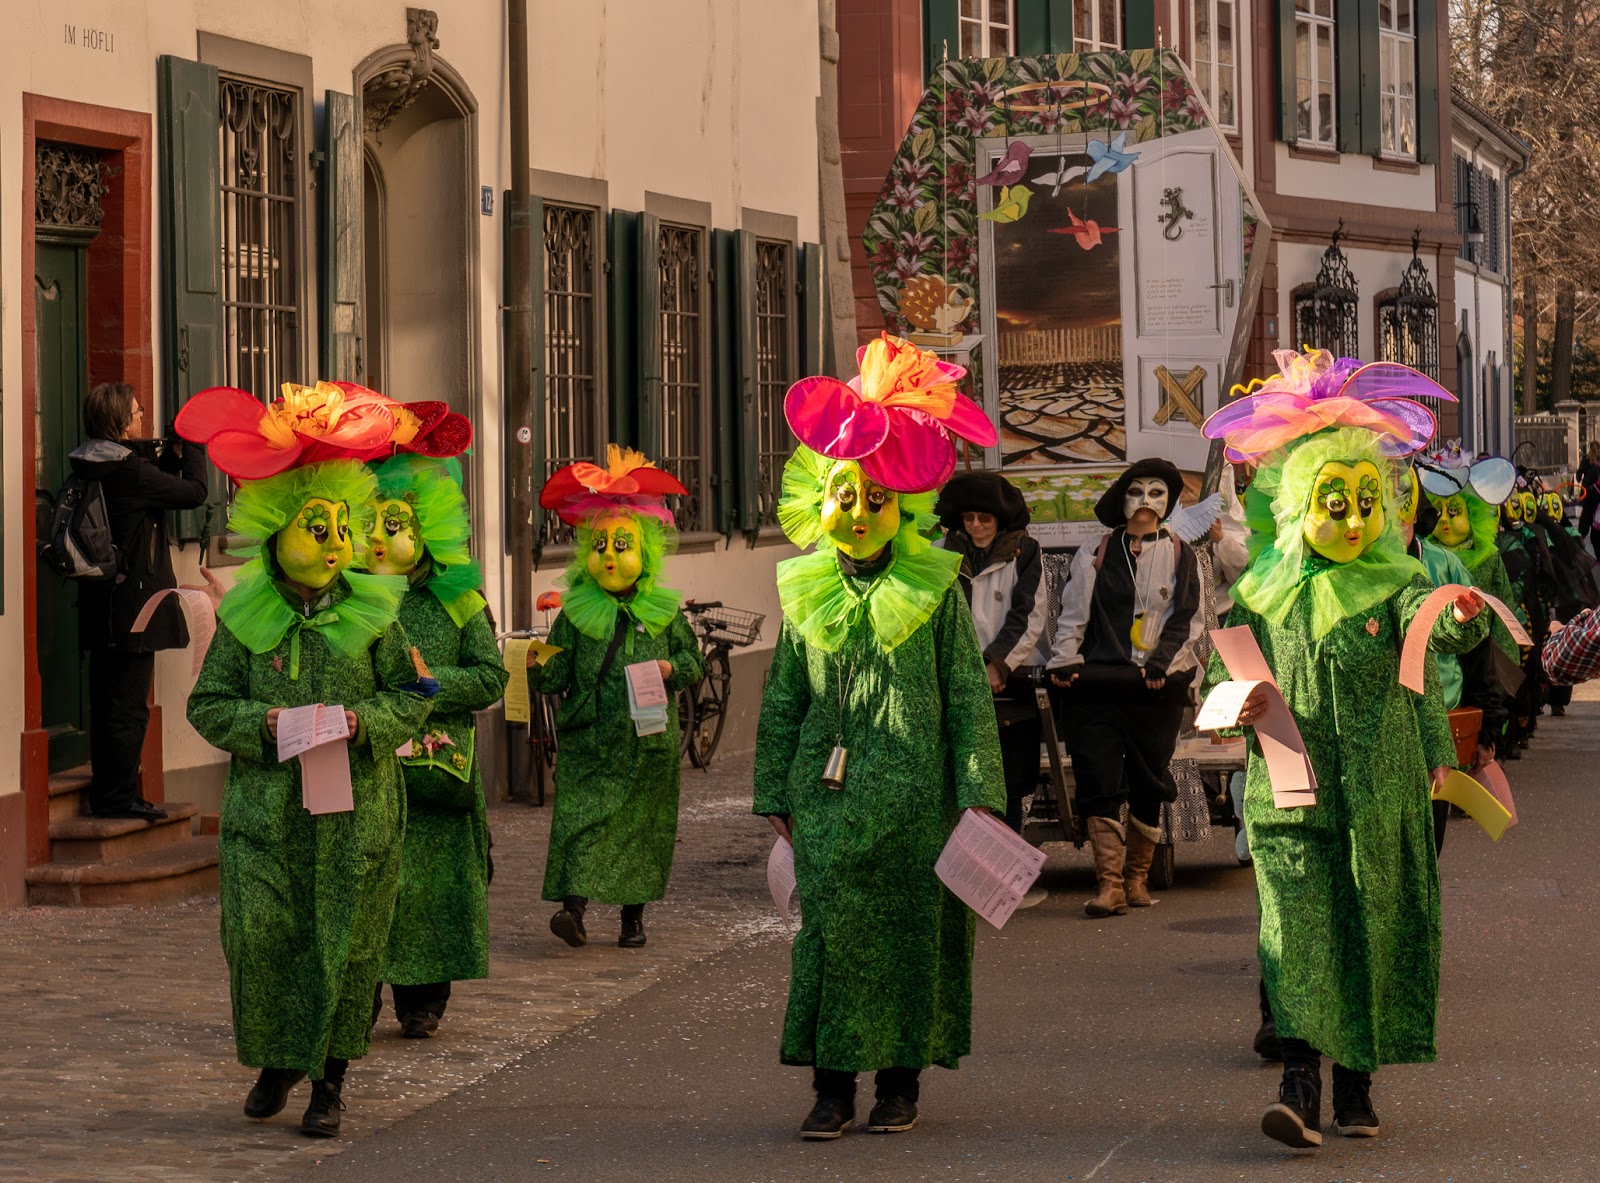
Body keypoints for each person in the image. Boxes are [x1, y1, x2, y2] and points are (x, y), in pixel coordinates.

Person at [1200, 350, 1488, 1151]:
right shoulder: (1261, 592)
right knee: (1295, 931)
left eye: (1367, 502)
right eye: (1336, 503)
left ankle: (1356, 1080)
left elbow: (1428, 665)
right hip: (1291, 790)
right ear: (1298, 506)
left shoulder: (1396, 585)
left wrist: (1461, 625)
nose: (1356, 522)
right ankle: (1299, 1082)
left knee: (1369, 924)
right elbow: (1220, 690)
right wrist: (1234, 709)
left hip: (1381, 788)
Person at [754, 333, 1004, 1139]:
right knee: (827, 939)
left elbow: (968, 701)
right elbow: (783, 697)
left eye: (874, 500)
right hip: (826, 802)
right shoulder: (803, 595)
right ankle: (831, 1087)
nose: (857, 515)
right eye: (843, 496)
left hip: (917, 806)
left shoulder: (935, 595)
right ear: (817, 500)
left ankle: (900, 1082)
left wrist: (979, 796)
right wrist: (772, 793)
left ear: (901, 506)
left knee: (907, 941)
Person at [179, 381, 444, 1138]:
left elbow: (415, 690)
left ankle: (330, 1080)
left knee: (345, 948)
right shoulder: (245, 618)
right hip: (267, 819)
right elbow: (206, 705)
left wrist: (367, 719)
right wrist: (260, 723)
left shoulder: (375, 615)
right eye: (314, 527)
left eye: (341, 529)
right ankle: (278, 1057)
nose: (333, 544)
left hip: (356, 813)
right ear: (275, 533)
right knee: (262, 939)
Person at [530, 446, 705, 950]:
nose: (609, 556)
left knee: (639, 831)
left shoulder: (665, 612)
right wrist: (535, 662)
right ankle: (573, 910)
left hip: (645, 739)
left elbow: (692, 663)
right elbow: (555, 672)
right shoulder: (576, 611)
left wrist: (673, 669)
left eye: (621, 545)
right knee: (581, 822)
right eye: (600, 544)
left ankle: (633, 918)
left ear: (644, 553)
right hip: (590, 737)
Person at [369, 455, 508, 1039]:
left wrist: (430, 687)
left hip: (441, 776)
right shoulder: (353, 602)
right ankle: (366, 989)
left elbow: (492, 677)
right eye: (373, 524)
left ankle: (425, 998)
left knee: (433, 888)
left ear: (425, 532)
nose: (379, 539)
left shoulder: (460, 600)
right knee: (378, 882)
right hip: (374, 766)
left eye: (394, 526)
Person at [1046, 457, 1199, 916]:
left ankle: (1136, 879)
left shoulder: (1178, 552)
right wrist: (1064, 662)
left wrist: (1158, 665)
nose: (1146, 502)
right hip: (1100, 684)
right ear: (1123, 499)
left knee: (1149, 780)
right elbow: (1073, 615)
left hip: (1156, 688)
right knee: (1097, 777)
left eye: (1157, 494)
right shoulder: (1096, 550)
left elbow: (1186, 619)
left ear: (1168, 503)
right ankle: (1109, 884)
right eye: (1137, 492)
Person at [69, 382, 208, 819]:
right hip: (135, 607)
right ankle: (117, 798)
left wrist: (165, 451)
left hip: (100, 603)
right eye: (136, 411)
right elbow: (194, 492)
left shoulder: (89, 463)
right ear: (120, 423)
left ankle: (110, 793)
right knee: (128, 707)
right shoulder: (131, 473)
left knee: (107, 701)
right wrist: (196, 446)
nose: (141, 416)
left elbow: (151, 476)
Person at [935, 470, 1048, 833]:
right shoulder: (939, 556)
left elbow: (1028, 614)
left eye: (985, 518)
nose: (977, 525)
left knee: (1008, 784)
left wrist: (996, 664)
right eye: (969, 518)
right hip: (956, 682)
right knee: (960, 781)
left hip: (1010, 683)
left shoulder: (1025, 552)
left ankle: (1005, 875)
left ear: (999, 520)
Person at [1576, 439, 1600, 555]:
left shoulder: (1585, 459)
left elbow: (1579, 474)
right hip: (1598, 494)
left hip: (1588, 493)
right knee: (1597, 522)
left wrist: (1579, 477)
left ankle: (1579, 545)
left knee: (1585, 520)